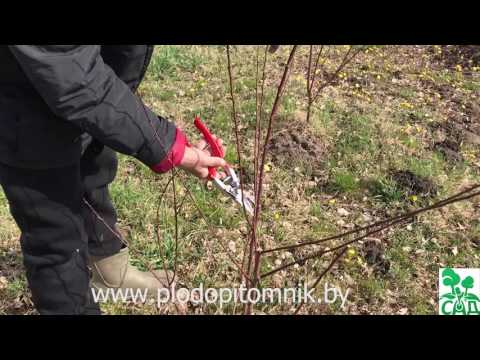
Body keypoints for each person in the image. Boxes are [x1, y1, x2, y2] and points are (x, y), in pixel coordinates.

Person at [0, 45, 226, 315]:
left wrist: (110, 108)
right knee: (56, 240)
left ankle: (107, 270)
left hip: (84, 80)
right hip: (20, 110)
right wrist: (168, 146)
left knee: (93, 166)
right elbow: (74, 78)